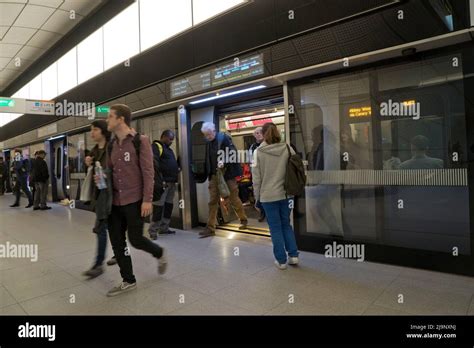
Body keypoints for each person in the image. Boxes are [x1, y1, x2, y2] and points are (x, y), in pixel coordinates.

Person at [103, 104, 167, 297]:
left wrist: (147, 200)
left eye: (110, 117)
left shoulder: (141, 141)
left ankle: (159, 253)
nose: (107, 120)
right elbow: (110, 171)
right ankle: (128, 280)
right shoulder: (112, 144)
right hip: (114, 201)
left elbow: (148, 172)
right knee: (117, 241)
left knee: (136, 239)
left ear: (121, 119)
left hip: (135, 200)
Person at [252, 122, 299, 270]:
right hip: (287, 194)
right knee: (286, 225)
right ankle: (293, 256)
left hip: (268, 196)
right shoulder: (287, 148)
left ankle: (281, 261)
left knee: (275, 228)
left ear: (264, 134)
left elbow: (256, 179)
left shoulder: (258, 152)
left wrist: (257, 198)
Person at [199, 122, 248, 238]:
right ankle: (210, 228)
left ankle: (243, 219)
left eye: (209, 134)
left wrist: (224, 161)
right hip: (214, 176)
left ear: (213, 131)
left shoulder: (224, 139)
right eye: (206, 135)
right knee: (212, 202)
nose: (207, 137)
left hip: (227, 175)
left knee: (233, 198)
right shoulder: (208, 142)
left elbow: (233, 153)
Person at [83, 120, 117, 278]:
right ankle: (107, 259)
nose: (92, 133)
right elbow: (92, 173)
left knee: (104, 229)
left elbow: (121, 171)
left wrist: (105, 173)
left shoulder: (113, 147)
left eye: (95, 129)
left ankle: (98, 264)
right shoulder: (94, 151)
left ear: (103, 131)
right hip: (101, 196)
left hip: (113, 196)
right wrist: (87, 163)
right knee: (106, 228)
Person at [149, 130, 180, 239]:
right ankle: (153, 230)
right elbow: (154, 163)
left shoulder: (169, 150)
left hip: (171, 183)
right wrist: (159, 179)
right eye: (170, 139)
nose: (171, 141)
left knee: (168, 206)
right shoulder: (156, 146)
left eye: (172, 139)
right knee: (158, 207)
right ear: (163, 137)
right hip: (162, 183)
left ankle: (164, 228)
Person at [249, 127, 265, 222]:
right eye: (256, 133)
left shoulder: (267, 145)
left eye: (259, 132)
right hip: (256, 172)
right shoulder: (253, 147)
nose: (258, 134)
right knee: (258, 194)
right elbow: (251, 161)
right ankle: (262, 213)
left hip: (266, 172)